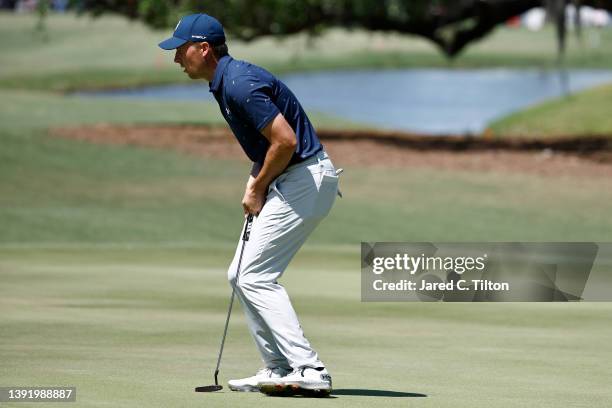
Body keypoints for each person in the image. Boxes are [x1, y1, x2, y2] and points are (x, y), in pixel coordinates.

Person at [158, 13, 339, 396]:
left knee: (255, 276)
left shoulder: (238, 83)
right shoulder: (227, 83)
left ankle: (309, 367)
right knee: (239, 274)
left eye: (181, 50)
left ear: (204, 49)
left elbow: (286, 141)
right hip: (295, 178)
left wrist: (258, 187)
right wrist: (256, 178)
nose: (176, 59)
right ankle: (278, 367)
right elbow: (269, 145)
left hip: (305, 178)